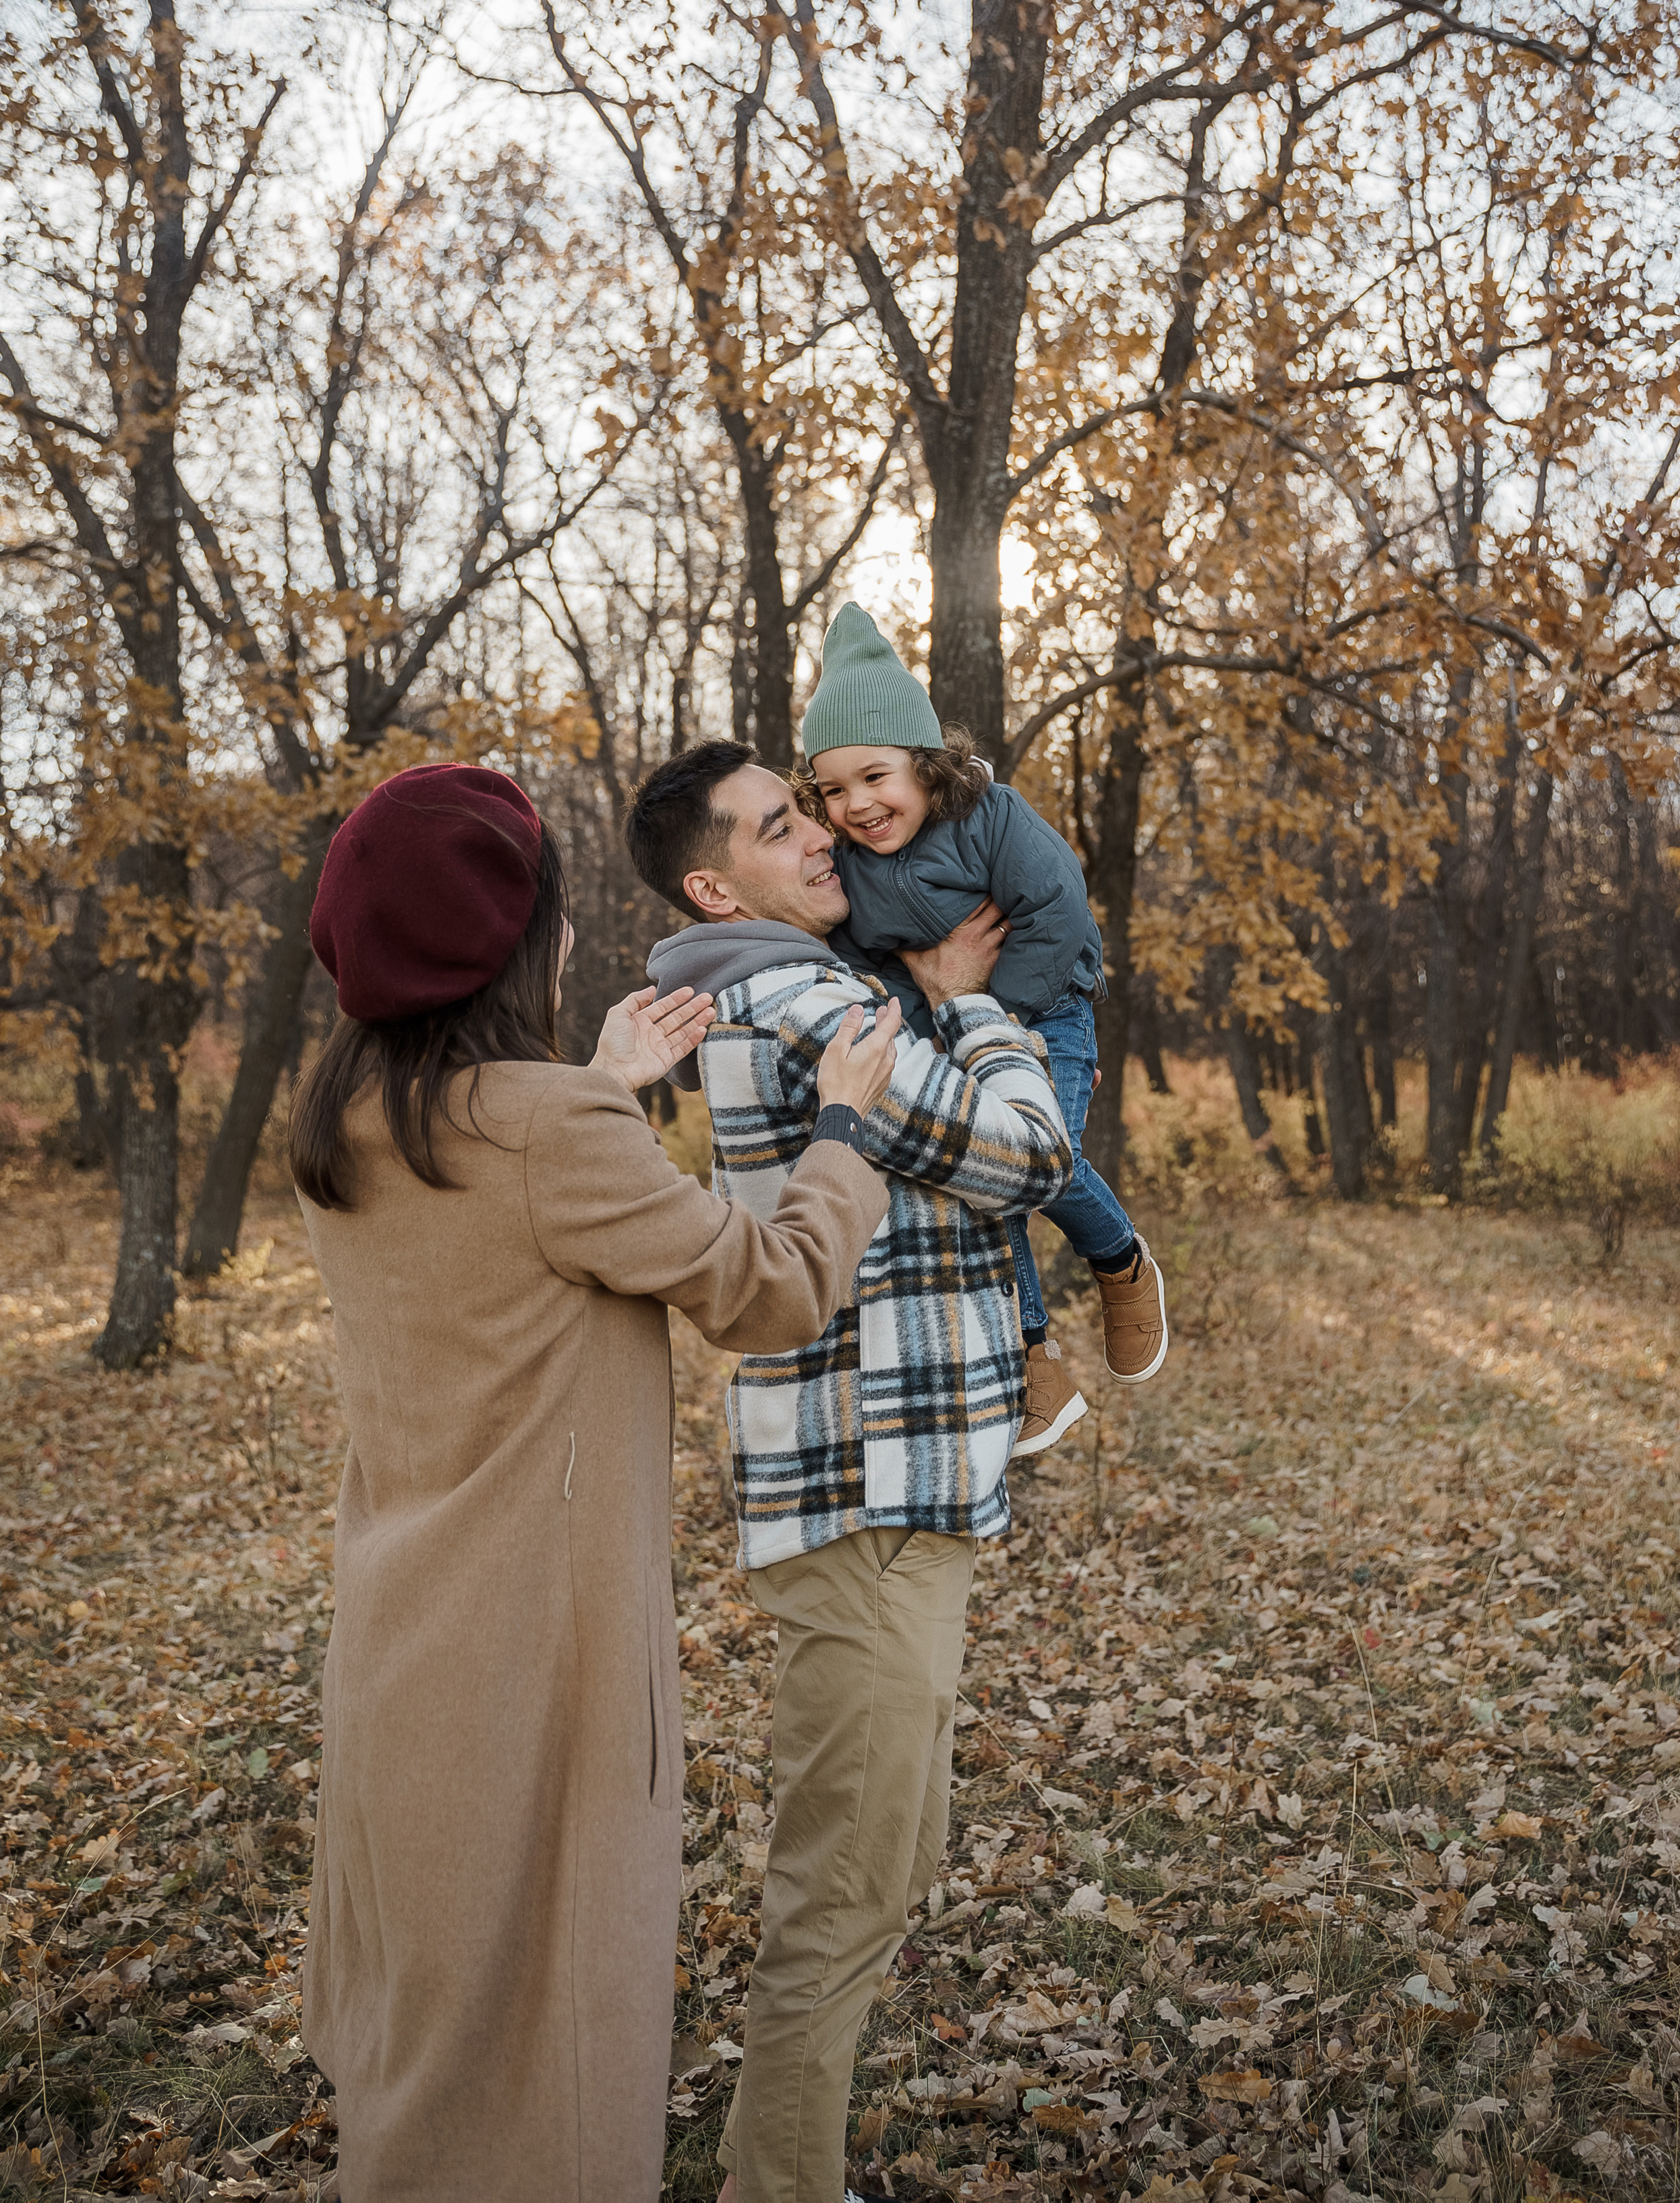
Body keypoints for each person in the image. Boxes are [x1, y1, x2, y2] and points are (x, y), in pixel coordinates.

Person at [287, 760, 899, 2203]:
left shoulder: (353, 1116)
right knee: (540, 2075)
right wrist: (845, 1134)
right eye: (550, 916)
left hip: (398, 1656)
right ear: (508, 944)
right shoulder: (553, 1133)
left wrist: (606, 1085)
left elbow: (508, 1205)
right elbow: (769, 1289)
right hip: (531, 1673)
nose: (568, 941)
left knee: (427, 2047)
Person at [627, 741, 1073, 2203]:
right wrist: (971, 1009)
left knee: (882, 1862)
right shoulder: (803, 996)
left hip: (889, 1496)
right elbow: (1027, 1154)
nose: (820, 837)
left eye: (809, 810)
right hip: (868, 1496)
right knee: (840, 1897)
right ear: (714, 881)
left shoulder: (780, 984)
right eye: (778, 826)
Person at [801, 602, 1168, 1452]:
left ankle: (1119, 1261)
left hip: (1048, 1015)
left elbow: (1057, 909)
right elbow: (873, 964)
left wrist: (993, 1011)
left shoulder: (991, 815)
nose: (856, 803)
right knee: (983, 1180)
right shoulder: (851, 874)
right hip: (948, 1034)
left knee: (1041, 1163)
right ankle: (1034, 1357)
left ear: (927, 766)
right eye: (833, 788)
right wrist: (925, 1011)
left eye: (875, 776)